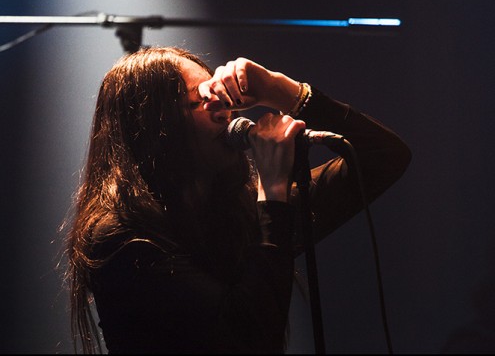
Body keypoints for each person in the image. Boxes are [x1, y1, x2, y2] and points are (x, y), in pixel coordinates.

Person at [59, 46, 411, 354]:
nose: (226, 109)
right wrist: (273, 193)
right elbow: (250, 341)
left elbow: (385, 156)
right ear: (155, 127)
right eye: (201, 100)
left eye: (221, 94)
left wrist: (283, 91)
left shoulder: (237, 215)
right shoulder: (121, 240)